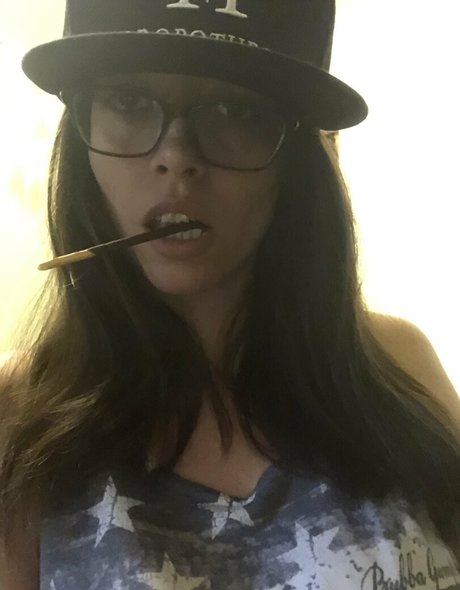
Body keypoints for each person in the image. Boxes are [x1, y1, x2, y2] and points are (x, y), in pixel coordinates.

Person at [1, 0, 459, 588]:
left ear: (296, 158)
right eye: (129, 102)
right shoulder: (18, 420)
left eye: (234, 111)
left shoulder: (397, 363)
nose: (176, 157)